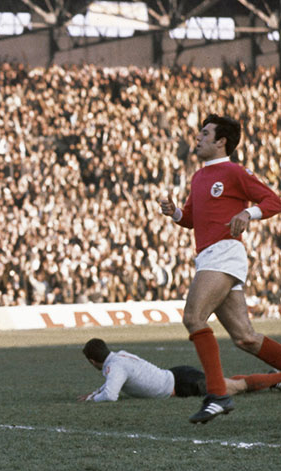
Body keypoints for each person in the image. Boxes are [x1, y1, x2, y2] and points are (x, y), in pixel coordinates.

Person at [159, 114, 281, 423]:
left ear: (220, 141)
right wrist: (175, 213)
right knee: (245, 337)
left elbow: (273, 201)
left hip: (224, 252)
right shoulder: (199, 177)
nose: (198, 138)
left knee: (193, 317)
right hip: (210, 256)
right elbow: (191, 219)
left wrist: (249, 213)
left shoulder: (234, 171)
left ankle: (217, 395)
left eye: (205, 133)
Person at [79, 338, 281, 402]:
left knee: (238, 386)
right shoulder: (118, 357)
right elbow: (110, 385)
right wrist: (95, 393)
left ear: (92, 361)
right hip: (178, 376)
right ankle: (273, 379)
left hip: (183, 383)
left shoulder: (115, 367)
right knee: (229, 383)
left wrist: (91, 399)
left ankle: (276, 377)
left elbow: (111, 395)